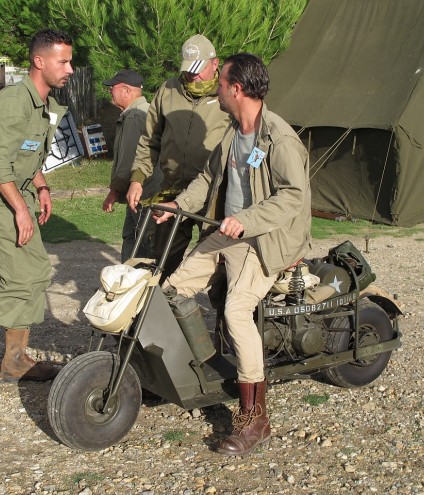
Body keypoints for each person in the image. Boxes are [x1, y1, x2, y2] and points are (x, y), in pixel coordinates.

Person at [153, 53, 312, 455]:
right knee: (172, 289)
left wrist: (247, 220)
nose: (216, 90)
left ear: (236, 89)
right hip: (228, 233)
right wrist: (176, 206)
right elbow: (208, 180)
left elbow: (293, 196)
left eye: (220, 84)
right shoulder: (231, 134)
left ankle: (255, 418)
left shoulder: (279, 138)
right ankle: (213, 366)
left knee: (235, 311)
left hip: (263, 240)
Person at [0, 29, 74, 384]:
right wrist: (20, 210)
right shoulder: (14, 101)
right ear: (39, 62)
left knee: (37, 271)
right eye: (64, 61)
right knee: (19, 277)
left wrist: (40, 186)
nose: (70, 69)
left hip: (16, 194)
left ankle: (15, 358)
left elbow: (26, 155)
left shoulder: (44, 106)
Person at [125, 34, 230, 278]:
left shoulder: (226, 93)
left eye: (199, 69)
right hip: (172, 190)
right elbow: (150, 139)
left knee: (215, 266)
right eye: (188, 69)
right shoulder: (168, 90)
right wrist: (137, 178)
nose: (192, 75)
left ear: (215, 64)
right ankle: (160, 310)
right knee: (161, 262)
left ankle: (222, 314)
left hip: (212, 195)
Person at [101, 69, 159, 262]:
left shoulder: (134, 116)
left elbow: (128, 162)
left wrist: (114, 191)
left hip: (143, 193)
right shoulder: (144, 111)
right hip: (142, 192)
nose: (110, 91)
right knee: (135, 240)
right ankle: (127, 286)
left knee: (141, 244)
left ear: (126, 91)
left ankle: (138, 288)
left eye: (113, 88)